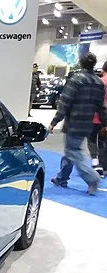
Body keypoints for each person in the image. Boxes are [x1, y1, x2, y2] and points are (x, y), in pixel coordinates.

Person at [50, 53, 107, 195]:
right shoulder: (98, 83)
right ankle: (61, 178)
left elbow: (65, 102)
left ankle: (92, 178)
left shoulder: (76, 80)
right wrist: (105, 122)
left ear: (81, 63)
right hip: (87, 124)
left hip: (73, 123)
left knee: (72, 152)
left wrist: (54, 121)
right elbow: (100, 107)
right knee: (71, 150)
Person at [87, 60, 107, 176]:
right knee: (104, 141)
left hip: (95, 116)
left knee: (92, 139)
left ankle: (95, 161)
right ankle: (104, 165)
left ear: (103, 70)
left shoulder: (100, 82)